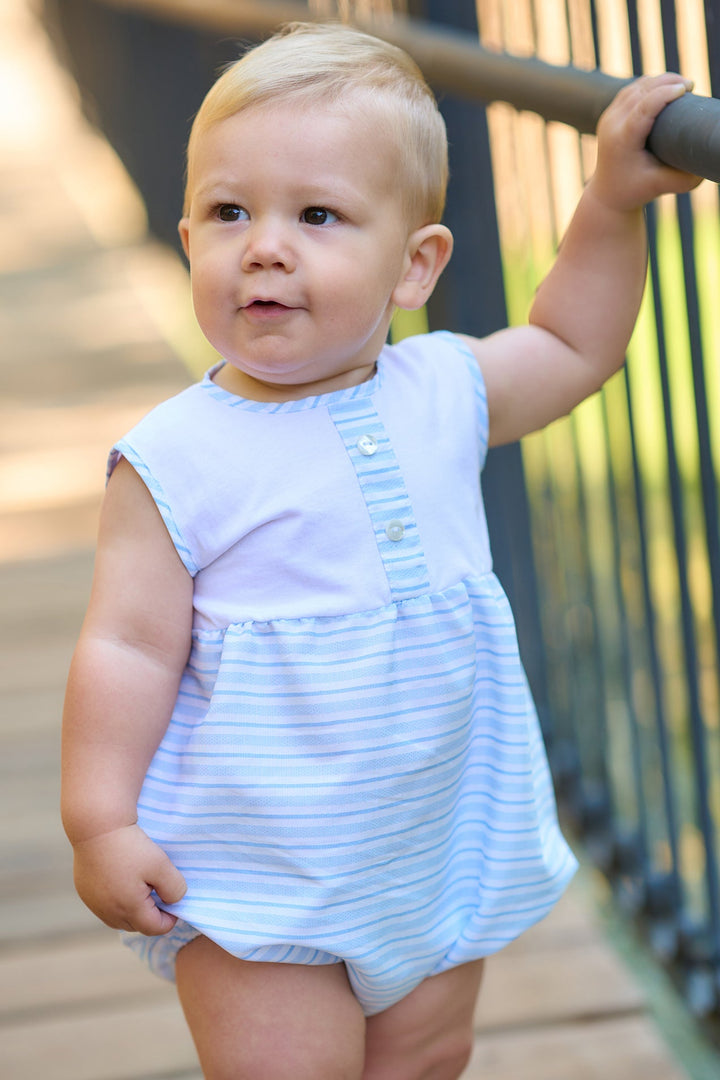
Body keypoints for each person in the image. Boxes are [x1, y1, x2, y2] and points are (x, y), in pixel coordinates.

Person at [61, 21, 701, 1080]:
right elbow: (126, 647)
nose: (264, 247)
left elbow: (573, 345)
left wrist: (611, 202)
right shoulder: (175, 456)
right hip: (260, 870)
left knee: (427, 1060)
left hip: (433, 844)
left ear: (416, 266)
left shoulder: (443, 390)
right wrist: (99, 824)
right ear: (188, 240)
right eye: (229, 213)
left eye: (316, 215)